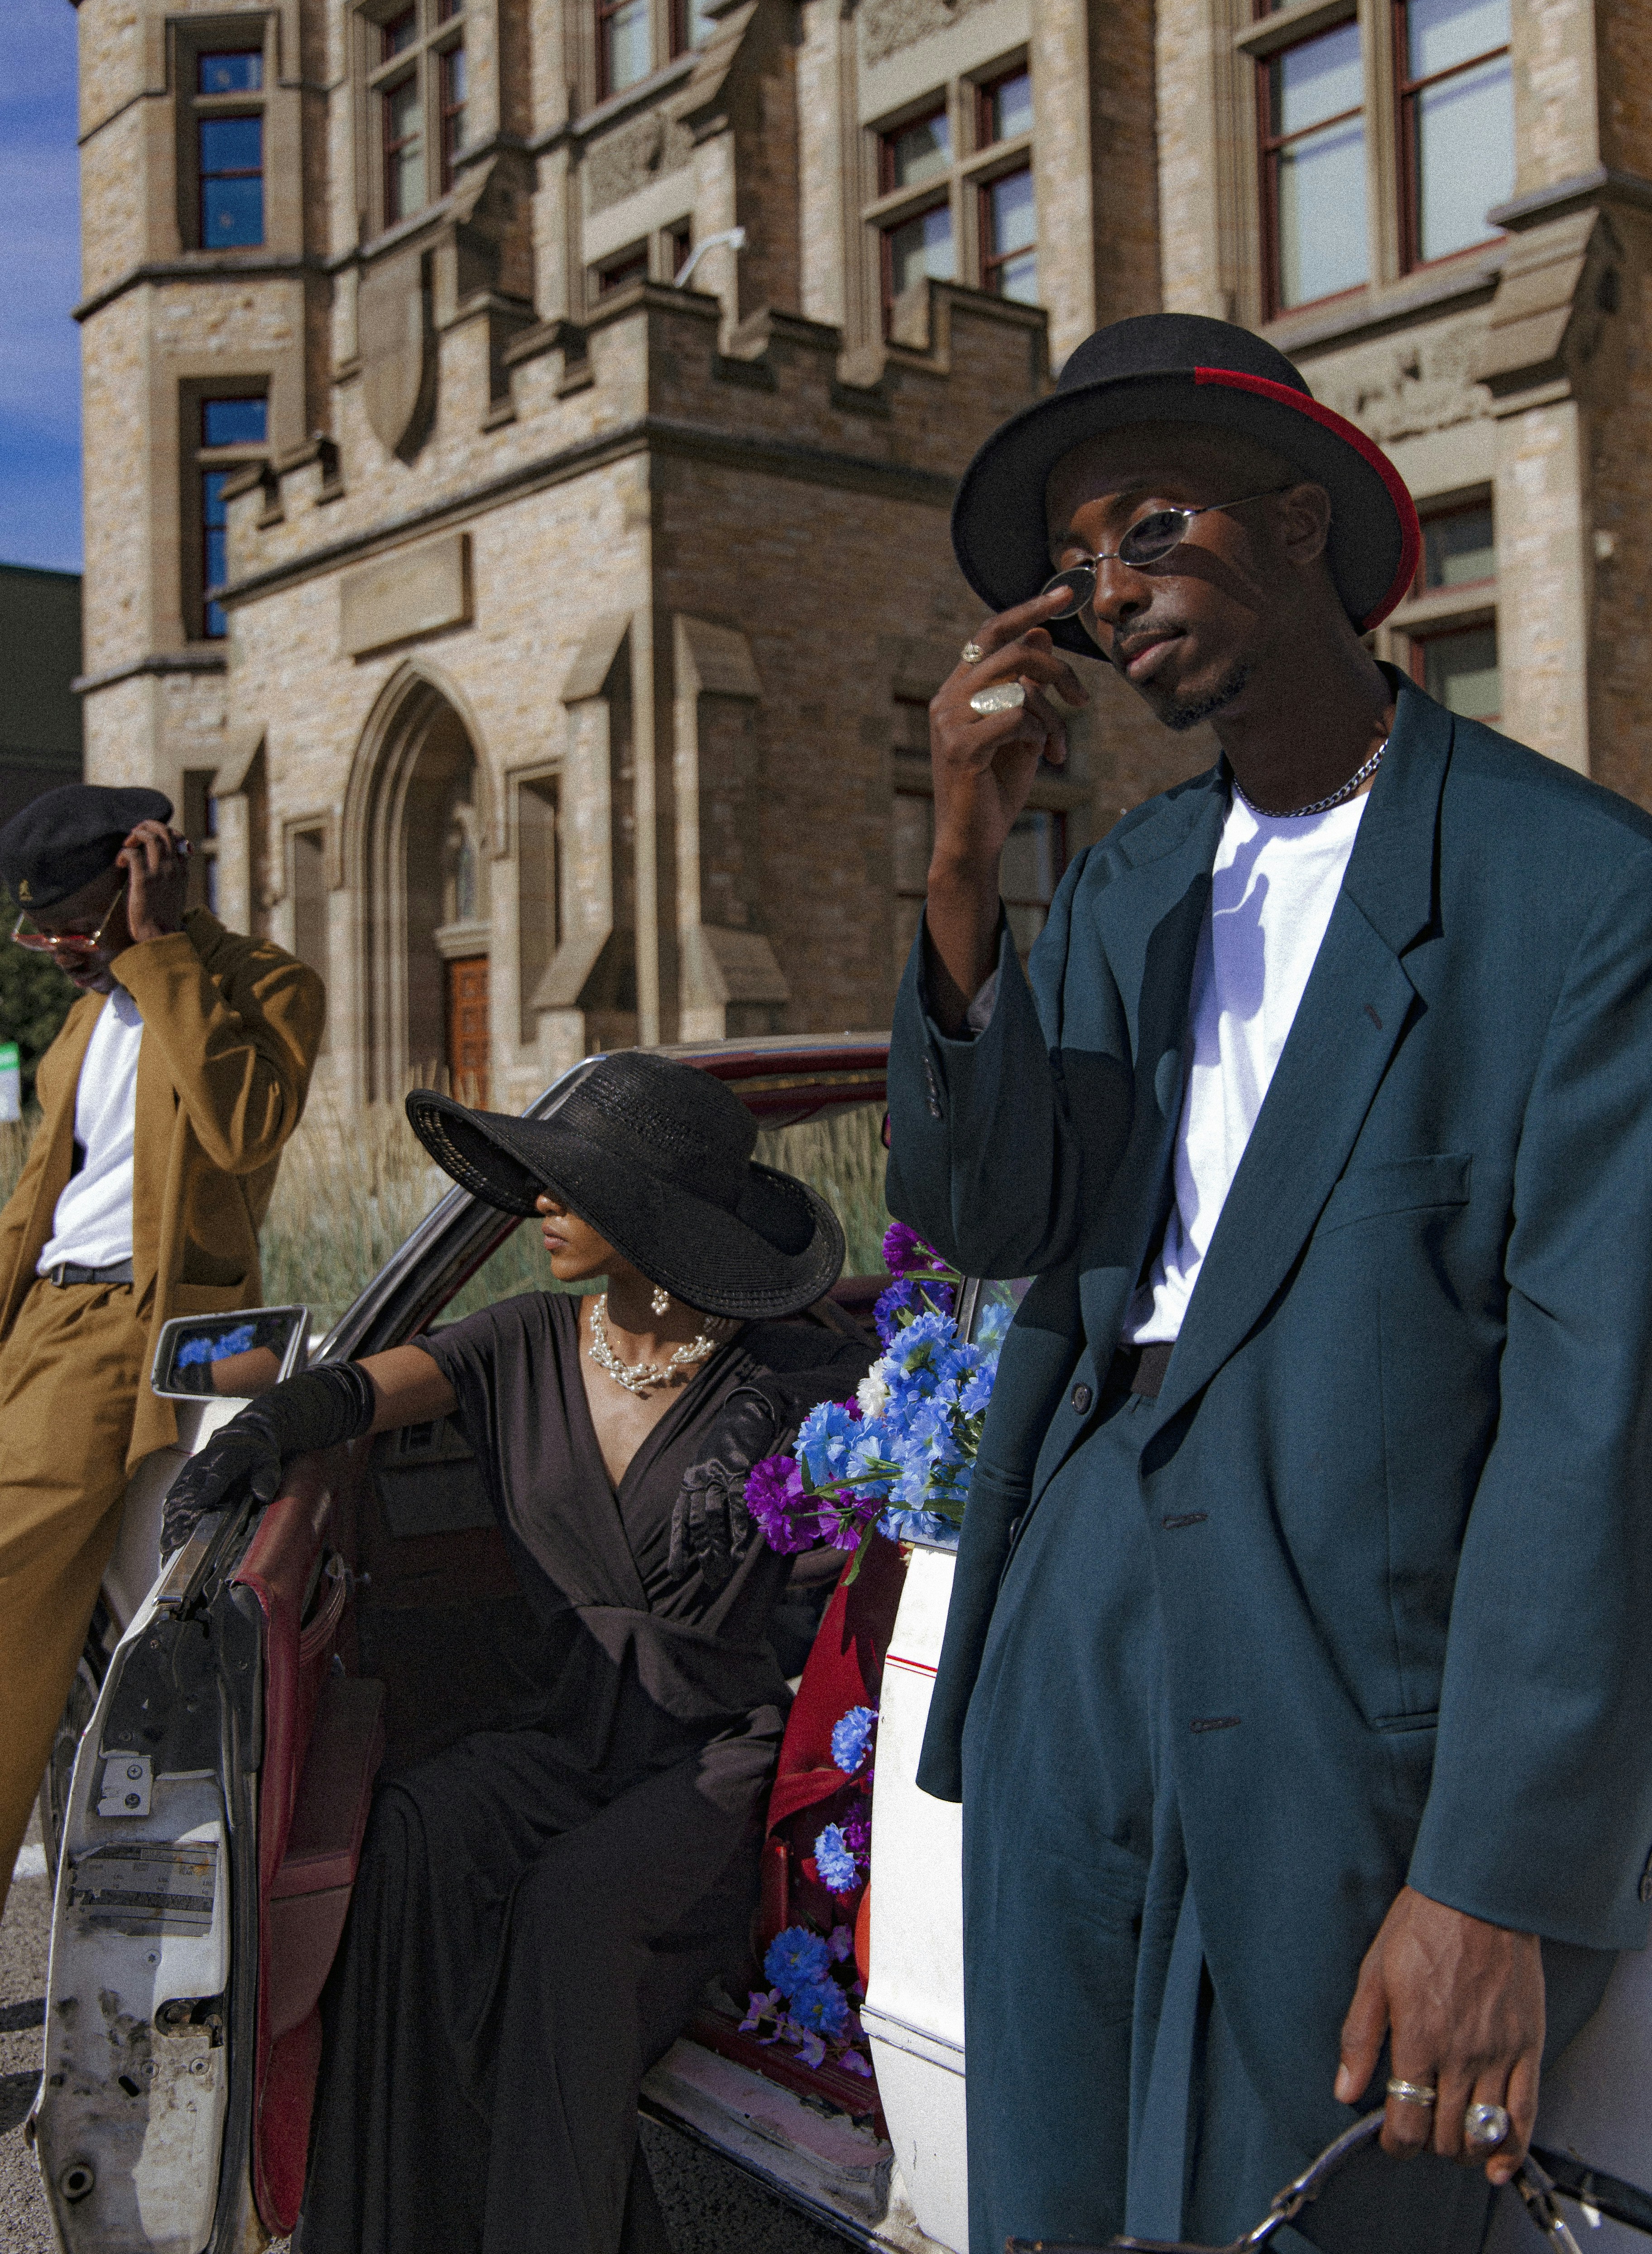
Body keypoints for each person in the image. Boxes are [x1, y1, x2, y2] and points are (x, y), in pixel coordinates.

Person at [886, 312, 1652, 2253]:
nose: (1111, 593)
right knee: (1045, 2192)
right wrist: (967, 860)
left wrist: (1496, 1878)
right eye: (1079, 568)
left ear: (1301, 523)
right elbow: (993, 1217)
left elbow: (1593, 1409)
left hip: (1351, 1646)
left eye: (1153, 530)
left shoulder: (1574, 891)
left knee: (1295, 2209)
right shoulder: (1134, 883)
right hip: (1079, 1594)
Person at [163, 1050, 870, 2254]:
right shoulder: (522, 1341)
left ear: (654, 1217)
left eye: (571, 1186)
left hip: (710, 1763)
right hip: (566, 1734)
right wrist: (266, 1430)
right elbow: (358, 1393)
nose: (540, 1204)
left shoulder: (804, 1385)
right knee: (414, 1835)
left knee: (571, 1919)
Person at [0, 783, 324, 1918]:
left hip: (119, 1336)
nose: (57, 954)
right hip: (38, 1322)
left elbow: (243, 1129)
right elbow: (49, 1191)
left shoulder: (255, 985)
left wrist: (160, 950)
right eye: (37, 935)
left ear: (149, 871)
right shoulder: (92, 1011)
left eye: (73, 927)